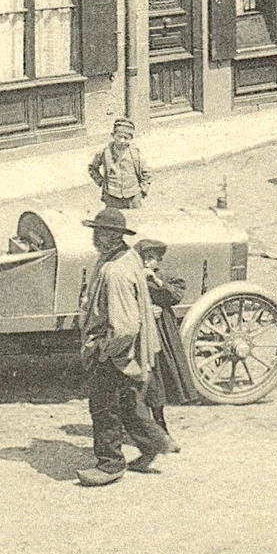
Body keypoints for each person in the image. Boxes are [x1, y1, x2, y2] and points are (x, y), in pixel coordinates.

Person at [76, 208, 172, 487]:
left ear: (114, 236)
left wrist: (103, 349)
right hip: (129, 351)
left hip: (116, 352)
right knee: (129, 402)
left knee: (104, 407)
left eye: (100, 232)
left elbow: (125, 327)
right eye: (95, 231)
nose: (95, 237)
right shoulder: (125, 257)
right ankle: (155, 442)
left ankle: (110, 465)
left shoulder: (115, 271)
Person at [135, 239, 197, 427]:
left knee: (161, 373)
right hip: (140, 332)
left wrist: (156, 281)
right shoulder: (132, 278)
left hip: (162, 331)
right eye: (144, 258)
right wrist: (145, 311)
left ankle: (160, 421)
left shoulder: (165, 277)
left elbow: (175, 296)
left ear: (159, 260)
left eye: (152, 258)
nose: (147, 262)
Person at [86, 118, 152, 210]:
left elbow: (147, 173)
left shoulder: (135, 153)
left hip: (133, 197)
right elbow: (92, 168)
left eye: (126, 138)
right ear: (113, 135)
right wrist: (101, 182)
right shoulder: (105, 152)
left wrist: (142, 191)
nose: (122, 141)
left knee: (134, 221)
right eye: (119, 137)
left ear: (131, 139)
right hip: (112, 196)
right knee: (113, 221)